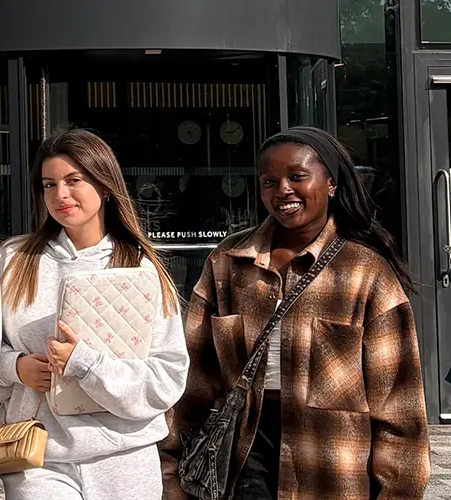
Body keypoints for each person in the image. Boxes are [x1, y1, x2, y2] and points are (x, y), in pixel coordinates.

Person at [159, 126, 429, 499]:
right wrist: (169, 469)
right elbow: (194, 377)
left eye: (297, 176)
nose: (282, 189)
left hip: (332, 462)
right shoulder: (228, 263)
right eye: (269, 181)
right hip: (242, 454)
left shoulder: (366, 273)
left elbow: (399, 405)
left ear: (331, 184)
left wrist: (399, 489)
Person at [0, 129, 187, 499]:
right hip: (38, 456)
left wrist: (85, 362)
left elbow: (168, 376)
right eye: (49, 184)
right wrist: (15, 368)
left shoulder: (141, 268)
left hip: (125, 456)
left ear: (106, 185)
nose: (60, 195)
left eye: (74, 180)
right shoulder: (14, 261)